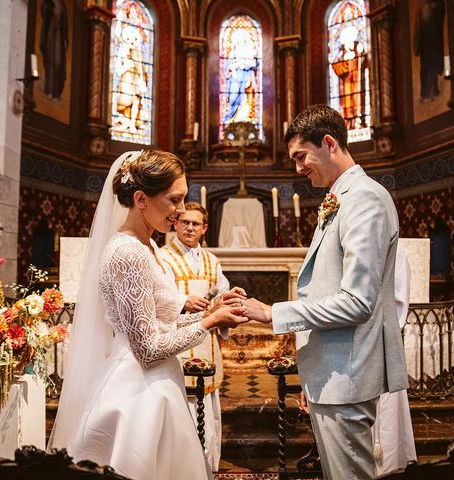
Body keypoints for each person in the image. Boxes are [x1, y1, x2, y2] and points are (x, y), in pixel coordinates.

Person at [48, 150, 248, 480]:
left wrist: (212, 309)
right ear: (141, 199)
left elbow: (162, 322)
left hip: (159, 381)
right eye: (174, 200)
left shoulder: (149, 247)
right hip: (137, 391)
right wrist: (210, 322)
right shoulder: (128, 253)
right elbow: (147, 348)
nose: (182, 211)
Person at [243, 104, 408, 479]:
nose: (297, 168)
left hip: (348, 376)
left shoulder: (364, 198)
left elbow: (357, 302)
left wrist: (272, 312)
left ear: (329, 143)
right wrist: (313, 376)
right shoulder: (341, 197)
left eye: (301, 156)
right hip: (332, 374)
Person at [158, 202, 238, 472]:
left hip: (207, 345)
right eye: (184, 222)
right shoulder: (162, 258)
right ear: (176, 224)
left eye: (195, 223)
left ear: (204, 228)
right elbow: (158, 301)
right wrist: (182, 302)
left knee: (207, 410)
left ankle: (207, 469)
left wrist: (228, 299)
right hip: (177, 344)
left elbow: (221, 294)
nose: (189, 227)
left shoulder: (212, 261)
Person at [372, 247, 417, 477]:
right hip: (357, 344)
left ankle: (387, 468)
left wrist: (379, 332)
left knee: (387, 415)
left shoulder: (397, 252)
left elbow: (399, 302)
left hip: (382, 341)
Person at [413, 0, 446, 102]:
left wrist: (435, 7)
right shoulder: (421, 8)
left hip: (434, 41)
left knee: (434, 65)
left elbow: (441, 11)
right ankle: (425, 93)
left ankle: (433, 90)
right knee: (425, 68)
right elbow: (418, 27)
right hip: (425, 44)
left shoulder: (437, 5)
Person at [40, 0, 68, 99]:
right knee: (50, 61)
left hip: (59, 36)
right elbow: (44, 14)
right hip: (51, 34)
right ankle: (49, 90)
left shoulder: (63, 6)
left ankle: (56, 91)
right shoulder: (48, 2)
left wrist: (65, 39)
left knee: (58, 63)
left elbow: (65, 24)